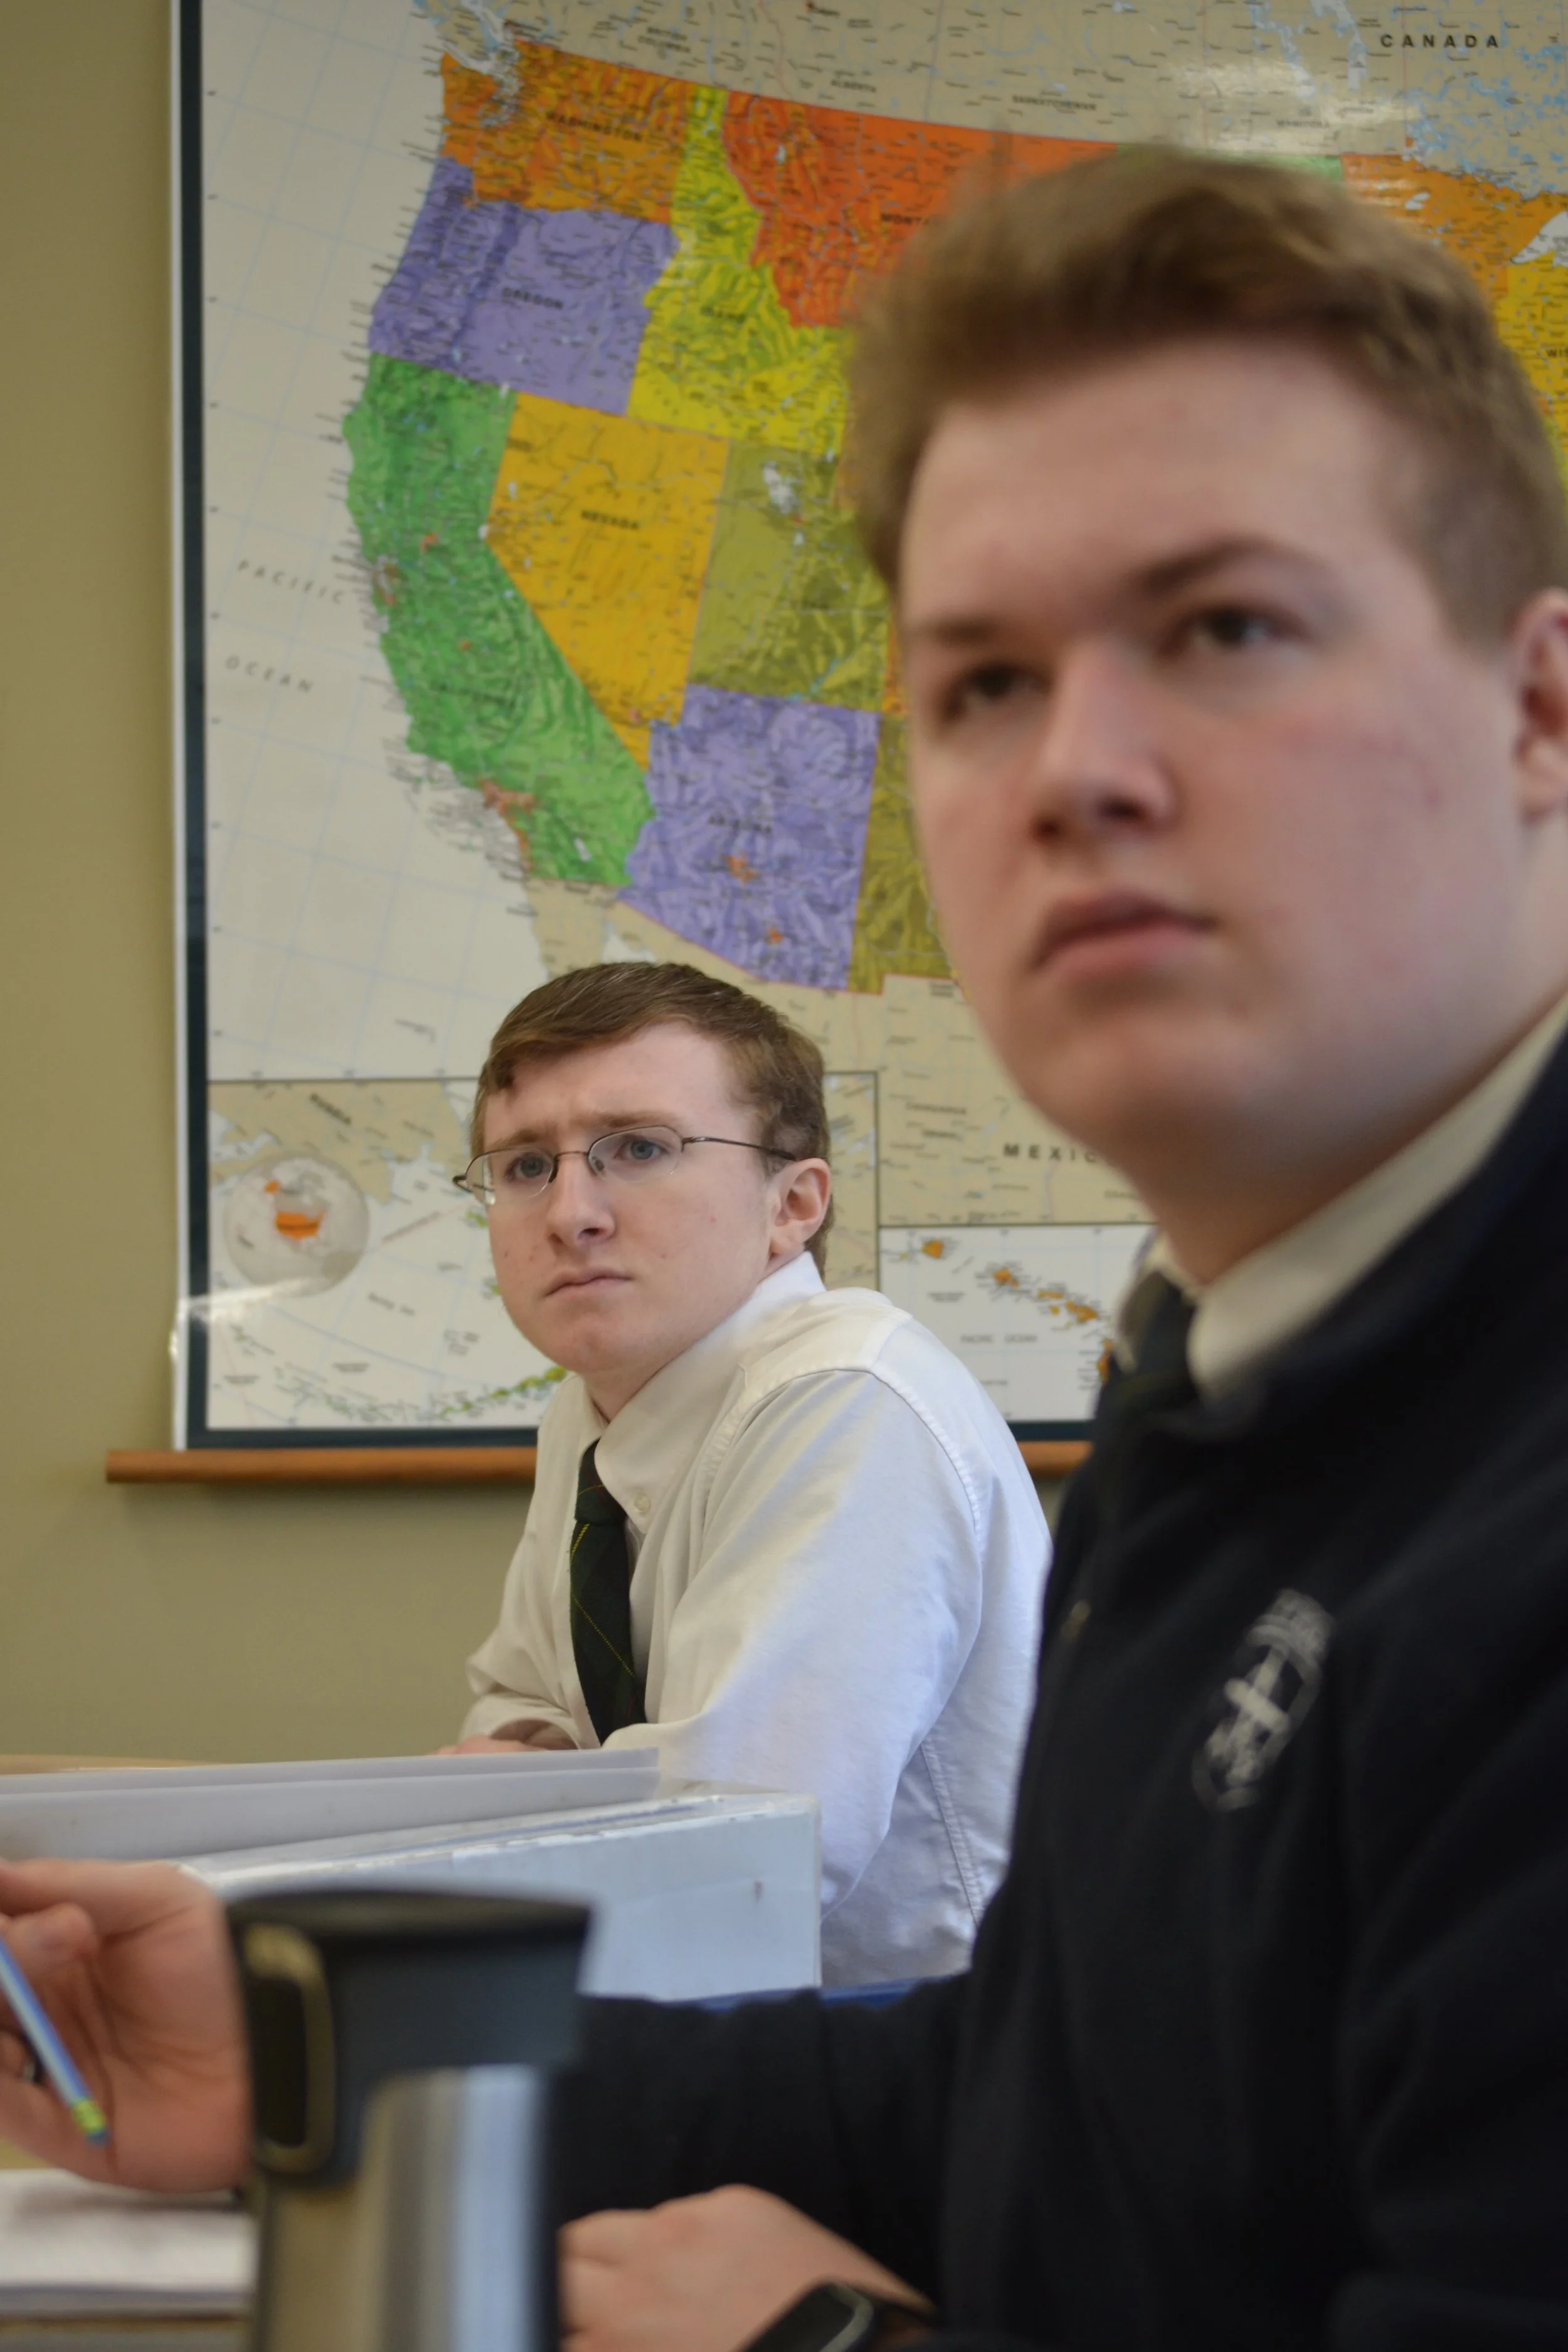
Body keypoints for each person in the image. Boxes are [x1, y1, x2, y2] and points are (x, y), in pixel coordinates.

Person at [6, 144, 1568, 2349]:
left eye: (1223, 627)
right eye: (979, 684)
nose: (1074, 771)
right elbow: (1044, 2100)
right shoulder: (1234, 1376)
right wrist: (301, 2063)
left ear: (1538, 710)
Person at [446, 959, 1046, 1986]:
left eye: (638, 1148)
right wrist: (541, 1776)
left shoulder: (850, 1398)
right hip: (724, 2021)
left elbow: (734, 1864)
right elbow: (514, 1706)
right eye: (525, 1165)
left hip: (941, 2058)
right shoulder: (591, 1410)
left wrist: (540, 1799)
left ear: (793, 1204)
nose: (570, 1211)